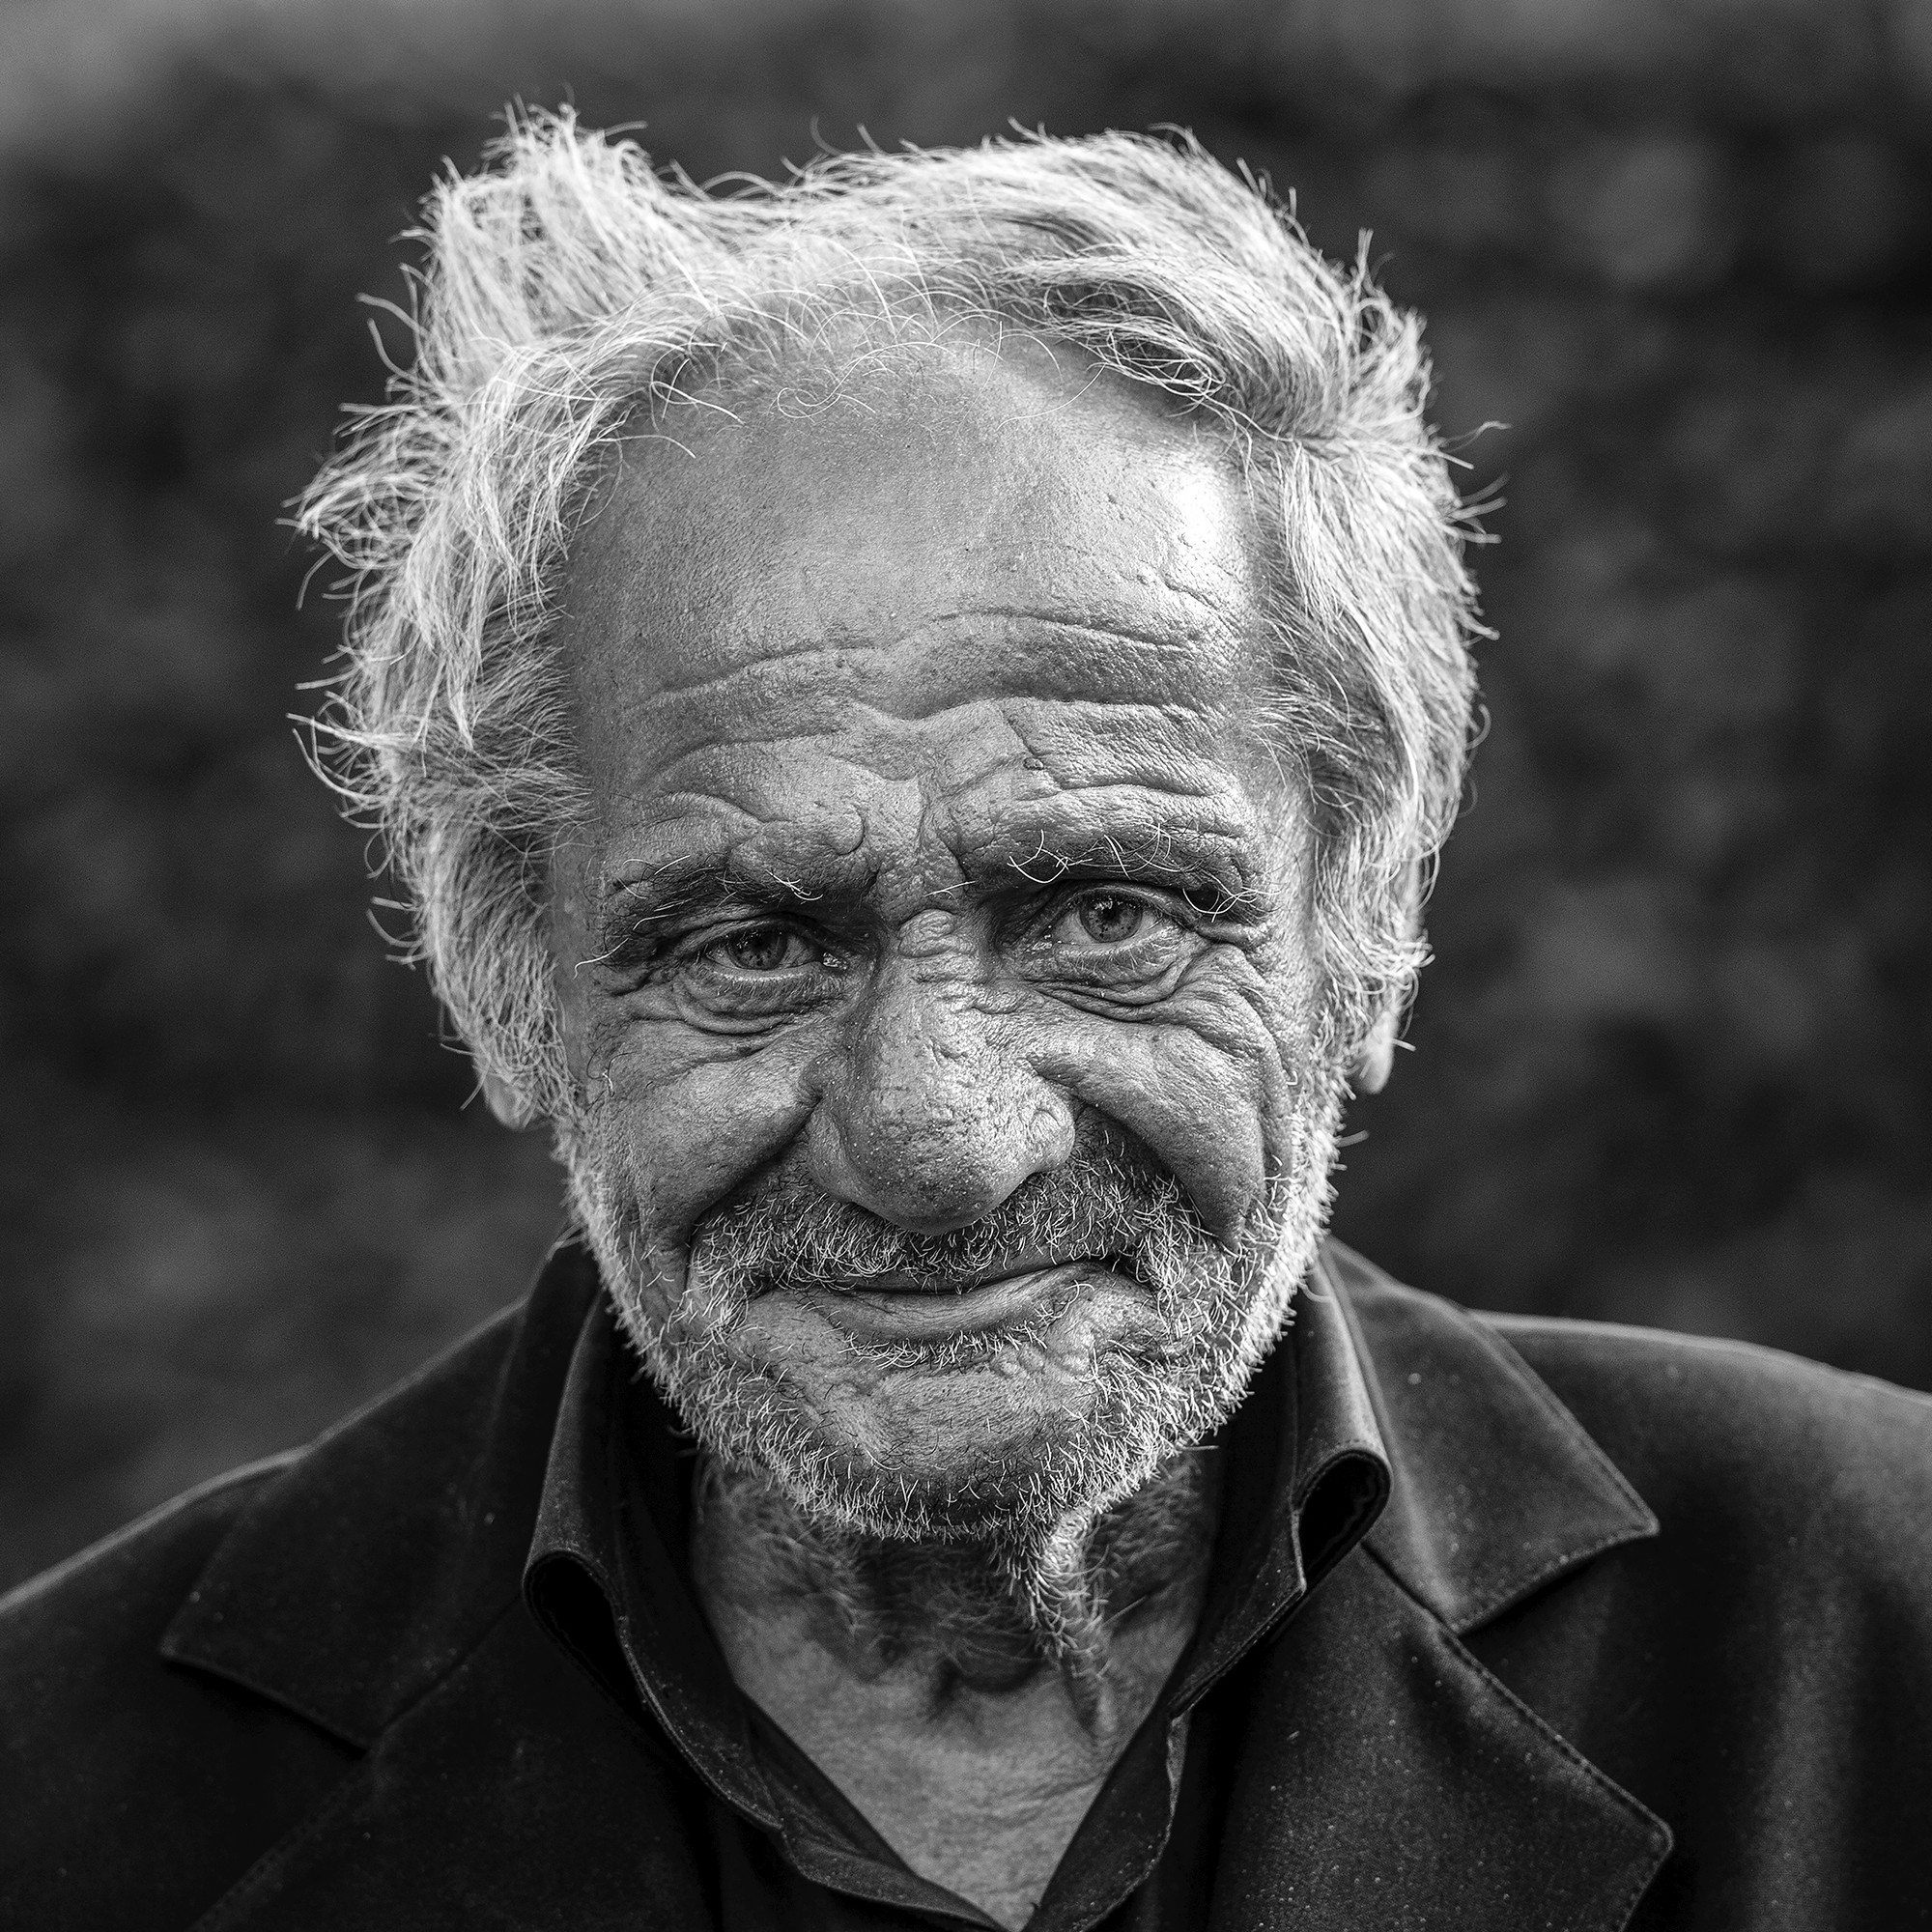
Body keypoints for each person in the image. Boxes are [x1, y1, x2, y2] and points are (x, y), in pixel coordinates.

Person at [2, 112, 1928, 1932]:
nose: (939, 1134)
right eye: (755, 942)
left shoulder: (1870, 1628)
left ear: (1363, 920)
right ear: (500, 976)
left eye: (1104, 912)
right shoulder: (64, 1794)